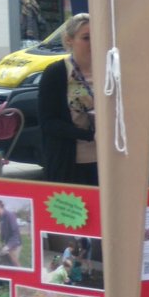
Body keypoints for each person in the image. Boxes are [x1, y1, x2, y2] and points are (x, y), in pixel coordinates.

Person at [39, 13, 97, 185]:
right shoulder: (56, 73)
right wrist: (89, 135)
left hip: (105, 161)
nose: (93, 43)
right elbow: (48, 122)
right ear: (69, 40)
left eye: (97, 37)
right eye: (86, 38)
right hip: (68, 162)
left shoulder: (109, 71)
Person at [0, 199, 23, 267]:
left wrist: (8, 246)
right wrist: (2, 241)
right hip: (8, 243)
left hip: (14, 244)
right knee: (8, 262)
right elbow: (3, 230)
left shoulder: (10, 216)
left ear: (0, 207)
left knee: (15, 264)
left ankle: (22, 276)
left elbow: (15, 235)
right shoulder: (1, 217)